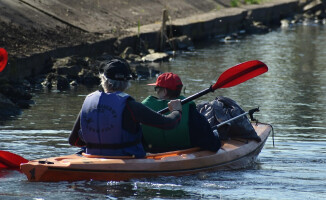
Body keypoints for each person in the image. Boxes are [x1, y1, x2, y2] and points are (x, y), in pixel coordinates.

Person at [68, 59, 182, 158]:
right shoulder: (131, 106)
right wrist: (177, 111)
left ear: (103, 80)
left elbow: (73, 141)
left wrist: (99, 141)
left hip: (92, 157)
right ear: (127, 83)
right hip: (126, 159)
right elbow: (169, 124)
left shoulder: (89, 101)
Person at [141, 72, 221, 153]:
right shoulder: (189, 110)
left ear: (164, 91)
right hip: (184, 154)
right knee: (215, 132)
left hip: (153, 154)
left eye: (157, 89)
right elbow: (213, 144)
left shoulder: (143, 109)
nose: (156, 92)